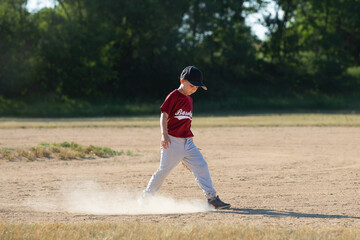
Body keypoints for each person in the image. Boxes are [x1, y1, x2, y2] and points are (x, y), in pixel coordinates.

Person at [143, 66, 231, 209]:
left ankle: (212, 199)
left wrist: (190, 141)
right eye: (191, 85)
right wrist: (164, 135)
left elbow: (186, 122)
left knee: (201, 166)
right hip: (172, 141)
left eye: (196, 87)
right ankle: (145, 198)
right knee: (163, 171)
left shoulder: (189, 100)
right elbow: (163, 115)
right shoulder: (173, 96)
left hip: (188, 143)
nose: (193, 89)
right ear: (182, 80)